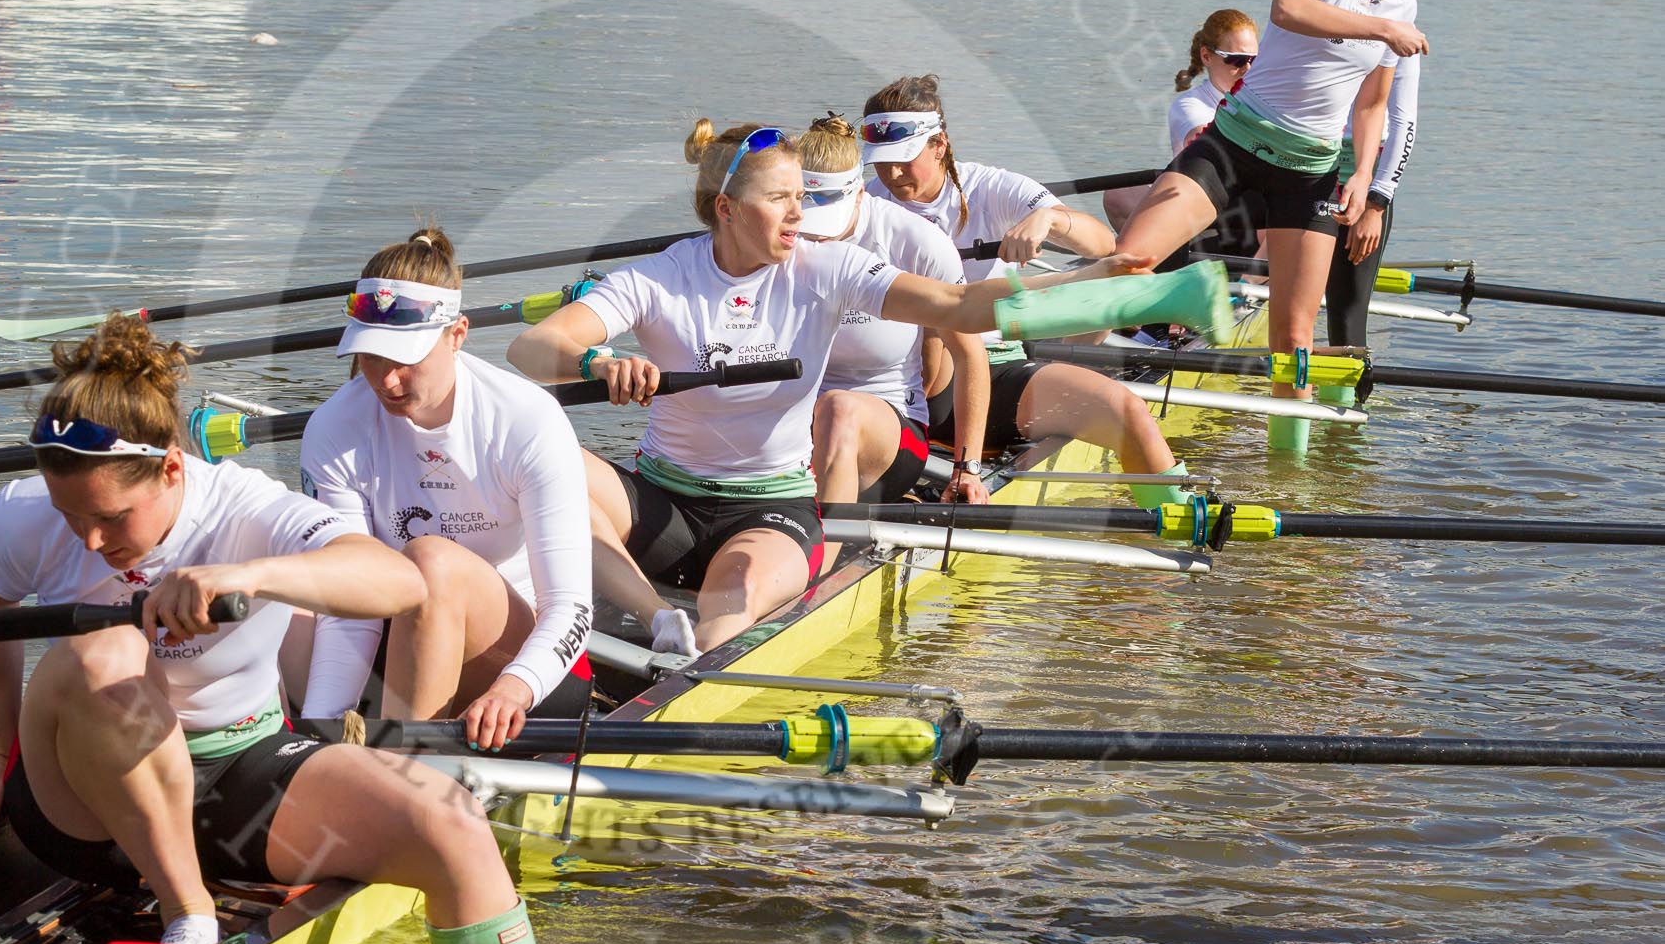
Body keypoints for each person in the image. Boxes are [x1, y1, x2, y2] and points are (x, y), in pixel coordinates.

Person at [0, 316, 550, 944]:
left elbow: (400, 583)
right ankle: (187, 914)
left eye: (112, 517)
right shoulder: (23, 516)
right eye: (72, 516)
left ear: (172, 467)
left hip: (238, 767)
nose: (90, 540)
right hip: (84, 803)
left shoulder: (245, 506)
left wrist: (252, 577)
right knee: (108, 650)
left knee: (452, 825)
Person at [507, 120, 1228, 657]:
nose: (796, 213)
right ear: (726, 210)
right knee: (550, 454)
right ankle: (660, 620)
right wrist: (599, 359)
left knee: (731, 597)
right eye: (778, 199)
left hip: (767, 513)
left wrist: (1115, 285)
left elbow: (959, 308)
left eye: (802, 196)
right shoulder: (664, 273)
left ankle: (695, 667)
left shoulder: (825, 268)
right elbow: (532, 348)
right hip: (663, 501)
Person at [1111, 0, 1444, 452]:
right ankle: (1154, 314)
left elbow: (1373, 106)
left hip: (1311, 174)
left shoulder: (1404, 3)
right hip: (1235, 145)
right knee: (1131, 256)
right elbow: (1288, 9)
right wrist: (1381, 30)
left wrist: (1364, 178)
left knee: (1294, 343)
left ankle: (1291, 475)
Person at [297, 229, 594, 751]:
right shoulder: (333, 429)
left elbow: (571, 607)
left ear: (457, 334)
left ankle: (398, 781)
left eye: (403, 358)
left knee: (430, 561)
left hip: (521, 662)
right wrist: (322, 731)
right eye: (370, 357)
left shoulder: (525, 418)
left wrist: (513, 689)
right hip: (398, 637)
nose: (386, 381)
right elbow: (350, 603)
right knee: (263, 581)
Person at [863, 75, 1205, 506]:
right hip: (900, 376)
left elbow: (1103, 246)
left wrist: (1050, 220)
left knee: (1127, 410)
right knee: (932, 324)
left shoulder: (989, 187)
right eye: (881, 160)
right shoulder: (861, 202)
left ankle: (1176, 535)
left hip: (994, 370)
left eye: (904, 158)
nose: (891, 173)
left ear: (940, 145)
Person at [799, 114, 993, 510]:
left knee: (839, 409)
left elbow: (969, 354)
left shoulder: (915, 241)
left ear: (858, 193)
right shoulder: (778, 237)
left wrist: (967, 467)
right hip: (796, 419)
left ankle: (817, 554)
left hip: (888, 427)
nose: (815, 234)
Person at [1300, 0, 1422, 354]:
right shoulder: (1303, 8)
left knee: (1346, 315)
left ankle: (1343, 419)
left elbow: (1401, 119)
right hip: (1299, 163)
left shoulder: (1396, 16)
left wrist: (1376, 202)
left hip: (1358, 178)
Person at [1102, 8, 1260, 231]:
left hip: (1252, 204)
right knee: (1118, 195)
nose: (1248, 69)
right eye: (1237, 60)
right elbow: (1206, 144)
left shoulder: (1269, 98)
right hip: (1206, 202)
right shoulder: (1190, 104)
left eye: (1256, 60)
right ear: (1207, 56)